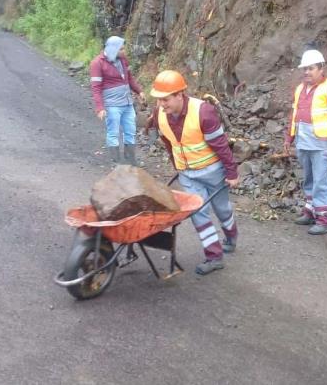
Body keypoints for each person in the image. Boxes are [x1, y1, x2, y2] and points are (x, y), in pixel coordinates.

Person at [149, 70, 239, 275]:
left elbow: (221, 145)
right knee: (198, 212)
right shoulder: (159, 114)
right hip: (188, 174)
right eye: (159, 100)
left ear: (180, 94)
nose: (162, 104)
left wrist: (232, 173)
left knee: (222, 209)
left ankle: (231, 236)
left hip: (213, 171)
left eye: (166, 99)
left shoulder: (203, 112)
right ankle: (214, 256)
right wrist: (177, 166)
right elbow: (168, 143)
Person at [284, 49, 327, 235]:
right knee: (309, 178)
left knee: (321, 179)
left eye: (310, 68)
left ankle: (324, 218)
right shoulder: (300, 89)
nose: (307, 72)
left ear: (321, 68)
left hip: (320, 142)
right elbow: (294, 116)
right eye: (304, 69)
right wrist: (289, 138)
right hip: (303, 139)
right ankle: (310, 211)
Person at [89, 35, 146, 166]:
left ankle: (130, 159)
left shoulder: (123, 60)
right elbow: (96, 88)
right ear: (112, 49)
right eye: (121, 49)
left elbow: (130, 78)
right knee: (113, 132)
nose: (124, 51)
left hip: (127, 102)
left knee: (130, 130)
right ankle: (116, 161)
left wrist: (139, 91)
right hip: (112, 104)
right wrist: (100, 108)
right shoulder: (97, 63)